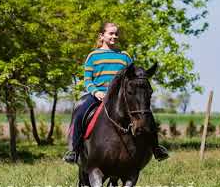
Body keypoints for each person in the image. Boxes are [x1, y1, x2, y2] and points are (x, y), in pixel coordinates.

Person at [63, 22, 169, 163]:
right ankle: (75, 150)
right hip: (98, 96)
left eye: (116, 34)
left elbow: (133, 77)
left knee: (146, 114)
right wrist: (96, 92)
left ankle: (156, 148)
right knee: (80, 111)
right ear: (102, 35)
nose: (114, 36)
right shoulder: (93, 56)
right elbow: (87, 80)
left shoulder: (124, 56)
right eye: (111, 33)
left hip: (120, 98)